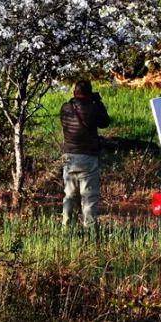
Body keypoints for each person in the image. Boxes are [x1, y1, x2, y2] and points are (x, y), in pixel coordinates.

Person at [60, 80, 110, 228]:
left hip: (69, 156)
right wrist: (98, 102)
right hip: (88, 157)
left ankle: (66, 226)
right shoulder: (93, 108)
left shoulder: (65, 108)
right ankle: (90, 229)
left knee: (69, 194)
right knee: (89, 197)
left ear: (75, 92)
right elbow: (105, 122)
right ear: (89, 93)